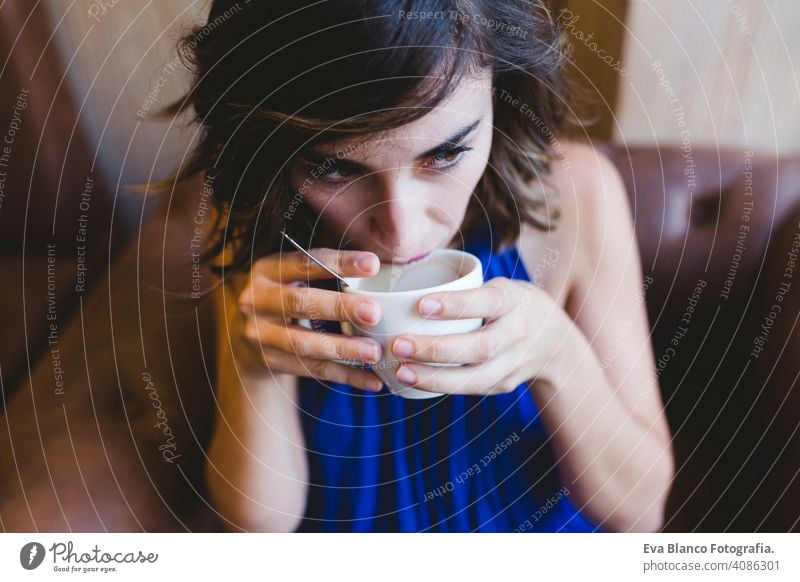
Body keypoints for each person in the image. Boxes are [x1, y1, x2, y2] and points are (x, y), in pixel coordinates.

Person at [167, 0, 674, 532]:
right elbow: (258, 526)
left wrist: (558, 356)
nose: (403, 234)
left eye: (446, 154)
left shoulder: (578, 198)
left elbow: (641, 513)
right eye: (334, 167)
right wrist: (254, 368)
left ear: (505, 88)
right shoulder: (261, 216)